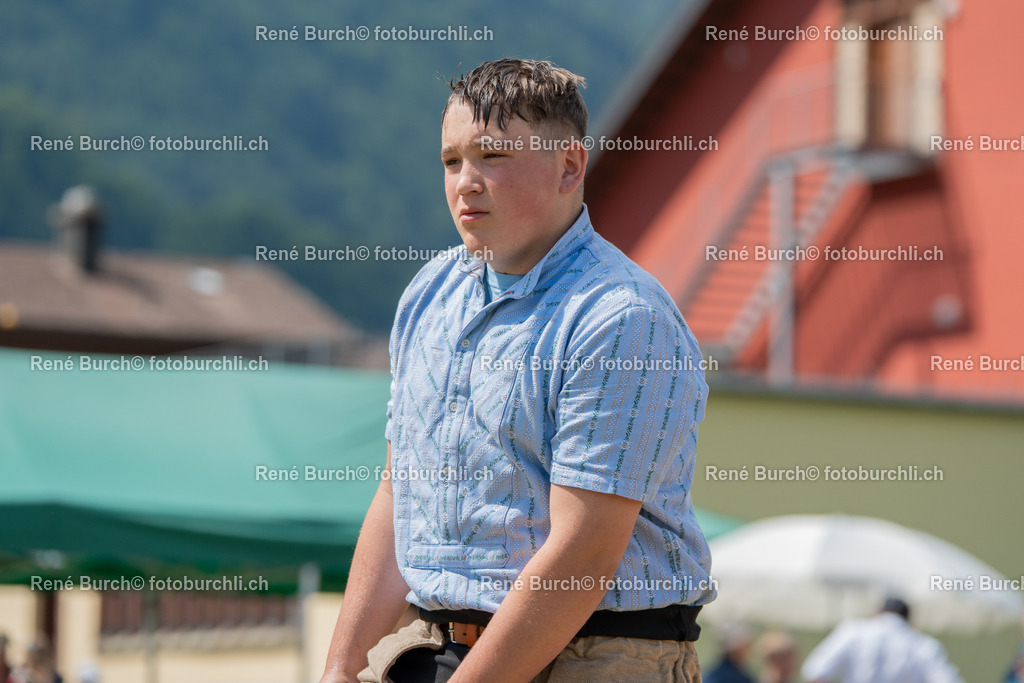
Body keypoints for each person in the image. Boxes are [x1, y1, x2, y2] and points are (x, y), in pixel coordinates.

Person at [320, 57, 716, 683]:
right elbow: (401, 491)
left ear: (569, 166)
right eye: (451, 161)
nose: (465, 182)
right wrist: (339, 667)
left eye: (493, 156)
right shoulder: (429, 293)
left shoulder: (621, 317)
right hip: (435, 648)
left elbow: (581, 557)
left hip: (599, 657)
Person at [801, 598, 963, 683]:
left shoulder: (854, 631)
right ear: (909, 621)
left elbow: (815, 671)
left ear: (878, 612)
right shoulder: (923, 645)